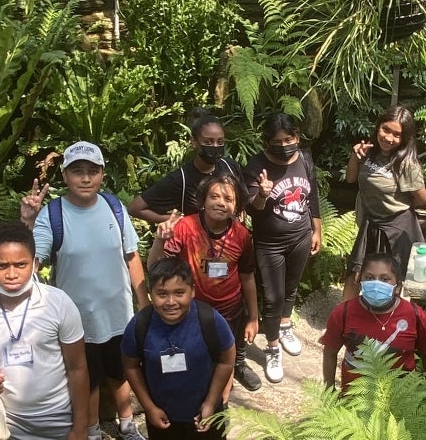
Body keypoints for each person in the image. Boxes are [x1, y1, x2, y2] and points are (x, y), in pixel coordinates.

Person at [22, 141, 149, 440]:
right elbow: (32, 260)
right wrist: (27, 223)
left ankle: (127, 424)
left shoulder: (114, 207)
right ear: (65, 176)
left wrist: (144, 303)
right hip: (75, 322)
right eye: (77, 171)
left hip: (119, 315)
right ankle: (91, 431)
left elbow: (131, 256)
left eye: (92, 171)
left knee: (122, 372)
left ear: (102, 174)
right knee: (87, 381)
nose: (85, 178)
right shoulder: (52, 214)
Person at [0, 223, 94, 439]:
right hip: (2, 424)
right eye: (2, 266)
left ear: (35, 264)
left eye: (21, 264)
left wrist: (80, 428)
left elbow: (78, 367)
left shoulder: (58, 303)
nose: (12, 274)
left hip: (58, 420)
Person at [147, 172, 266, 394]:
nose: (220, 203)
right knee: (192, 355)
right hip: (192, 310)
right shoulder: (186, 227)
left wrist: (252, 317)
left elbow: (247, 276)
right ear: (203, 200)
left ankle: (220, 405)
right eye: (214, 196)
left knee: (225, 358)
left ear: (237, 206)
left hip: (229, 311)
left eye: (229, 199)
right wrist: (160, 240)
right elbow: (155, 268)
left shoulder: (241, 235)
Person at [242, 113, 324, 384]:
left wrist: (317, 229)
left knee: (291, 288)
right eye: (277, 141)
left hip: (300, 236)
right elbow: (251, 209)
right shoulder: (256, 165)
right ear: (267, 142)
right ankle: (273, 347)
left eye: (289, 139)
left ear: (297, 137)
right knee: (272, 297)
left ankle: (285, 323)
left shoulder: (304, 159)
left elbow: (311, 196)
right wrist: (262, 194)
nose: (284, 145)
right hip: (269, 243)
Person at [120, 258, 237, 440]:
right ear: (151, 294)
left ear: (192, 292)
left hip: (204, 414)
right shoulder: (140, 325)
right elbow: (131, 366)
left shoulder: (210, 320)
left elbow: (227, 359)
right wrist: (149, 407)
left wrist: (211, 402)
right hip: (162, 417)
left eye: (179, 292)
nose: (171, 301)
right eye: (162, 294)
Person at [342, 106, 426, 300]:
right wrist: (355, 157)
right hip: (371, 223)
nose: (389, 138)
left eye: (397, 134)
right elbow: (350, 179)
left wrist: (398, 199)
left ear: (404, 138)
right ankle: (345, 324)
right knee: (355, 275)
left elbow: (422, 199)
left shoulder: (406, 163)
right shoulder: (369, 152)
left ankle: (386, 324)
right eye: (386, 130)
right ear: (378, 127)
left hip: (397, 226)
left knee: (392, 280)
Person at [320, 253, 426, 389]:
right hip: (353, 401)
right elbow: (330, 353)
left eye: (385, 279)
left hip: (402, 401)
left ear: (397, 286)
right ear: (360, 280)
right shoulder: (343, 312)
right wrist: (329, 391)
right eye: (369, 278)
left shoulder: (416, 316)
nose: (376, 284)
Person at [130, 112, 243, 243]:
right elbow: (135, 208)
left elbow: (241, 203)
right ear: (194, 142)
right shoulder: (181, 179)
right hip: (196, 247)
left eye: (220, 141)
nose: (215, 147)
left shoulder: (230, 167)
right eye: (208, 142)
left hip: (231, 245)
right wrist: (178, 220)